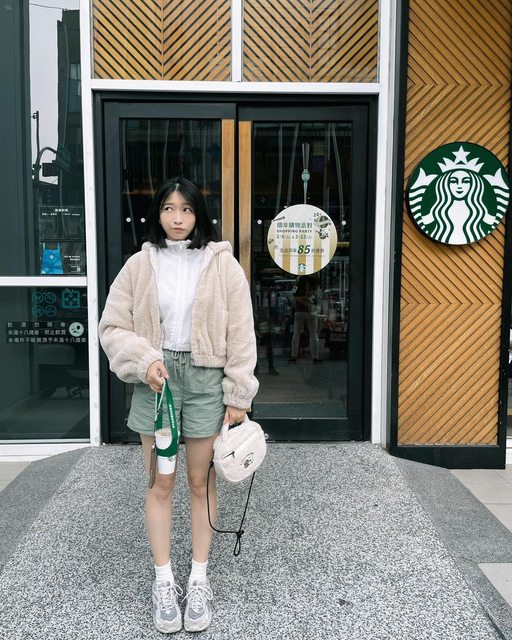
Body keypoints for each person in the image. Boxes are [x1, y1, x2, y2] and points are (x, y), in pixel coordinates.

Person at [98, 177, 258, 634]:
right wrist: (144, 360)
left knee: (201, 481)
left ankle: (199, 578)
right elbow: (112, 326)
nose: (177, 218)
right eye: (168, 208)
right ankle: (164, 581)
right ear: (158, 213)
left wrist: (238, 394)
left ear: (198, 214)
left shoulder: (222, 264)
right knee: (160, 482)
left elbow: (241, 331)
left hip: (207, 379)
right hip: (158, 381)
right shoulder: (139, 265)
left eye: (186, 209)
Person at [289, 274, 322, 364]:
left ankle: (293, 356)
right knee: (313, 334)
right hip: (311, 311)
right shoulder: (314, 281)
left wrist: (302, 300)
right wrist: (307, 299)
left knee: (296, 334)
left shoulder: (298, 281)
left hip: (299, 311)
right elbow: (316, 295)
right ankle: (315, 357)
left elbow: (294, 296)